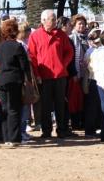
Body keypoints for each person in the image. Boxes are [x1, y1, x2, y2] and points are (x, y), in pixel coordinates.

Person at [28, 9, 74, 139]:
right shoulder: (35, 36)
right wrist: (37, 74)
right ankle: (46, 131)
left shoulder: (61, 35)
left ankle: (62, 129)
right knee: (45, 106)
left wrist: (62, 64)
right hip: (44, 76)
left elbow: (69, 52)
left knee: (60, 104)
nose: (55, 21)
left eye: (54, 19)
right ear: (43, 21)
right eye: (52, 19)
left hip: (60, 76)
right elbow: (32, 57)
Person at [0, 19, 31, 146]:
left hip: (1, 80)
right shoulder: (17, 46)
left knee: (5, 109)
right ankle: (14, 138)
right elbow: (24, 65)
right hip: (13, 80)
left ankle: (6, 137)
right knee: (14, 109)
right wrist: (28, 80)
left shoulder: (1, 46)